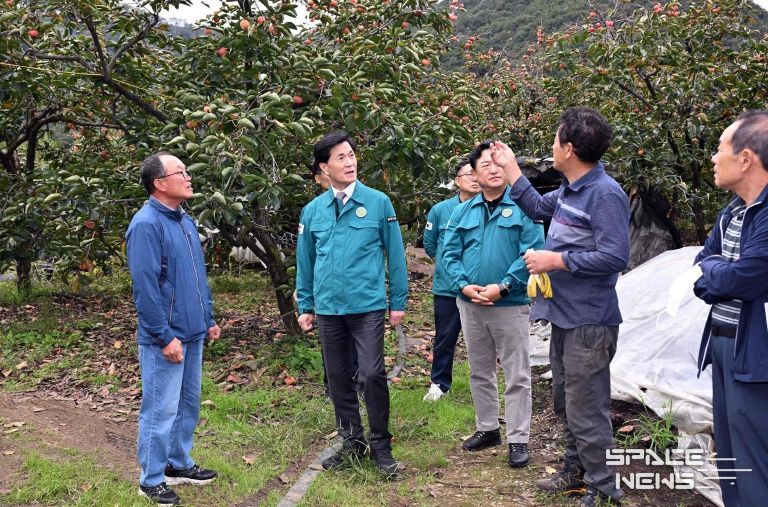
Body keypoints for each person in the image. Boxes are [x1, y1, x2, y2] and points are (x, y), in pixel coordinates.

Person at [491, 107, 629, 506]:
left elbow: (615, 256)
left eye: (555, 140)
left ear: (569, 148)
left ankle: (604, 489)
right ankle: (576, 471)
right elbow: (536, 207)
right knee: (566, 400)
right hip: (564, 314)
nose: (551, 147)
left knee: (587, 407)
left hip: (590, 319)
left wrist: (558, 260)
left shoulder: (604, 194)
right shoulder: (572, 188)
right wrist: (511, 168)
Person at [295, 131, 408, 478]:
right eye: (340, 157)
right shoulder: (313, 211)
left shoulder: (378, 202)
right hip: (329, 310)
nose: (350, 162)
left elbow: (396, 255)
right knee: (338, 378)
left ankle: (381, 445)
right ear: (324, 168)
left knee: (373, 374)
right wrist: (306, 304)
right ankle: (352, 441)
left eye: (352, 155)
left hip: (367, 306)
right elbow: (306, 261)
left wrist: (397, 301)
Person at [442, 142, 544, 468]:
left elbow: (532, 252)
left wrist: (503, 286)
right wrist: (462, 285)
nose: (494, 168)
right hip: (470, 304)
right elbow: (448, 254)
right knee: (480, 370)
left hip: (510, 304)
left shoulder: (524, 207)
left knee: (517, 374)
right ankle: (487, 428)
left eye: (498, 162)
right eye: (486, 164)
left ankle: (518, 438)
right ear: (473, 174)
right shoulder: (463, 211)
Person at [127, 152, 221, 506]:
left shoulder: (183, 219)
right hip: (165, 337)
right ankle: (150, 480)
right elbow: (146, 288)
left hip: (192, 330)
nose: (188, 176)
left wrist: (208, 318)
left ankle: (178, 463)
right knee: (161, 409)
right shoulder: (146, 224)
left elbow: (196, 276)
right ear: (160, 183)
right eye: (181, 172)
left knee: (187, 405)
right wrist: (164, 336)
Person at [692, 110, 768, 507]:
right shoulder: (734, 211)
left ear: (746, 158)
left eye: (719, 149)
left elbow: (747, 278)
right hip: (723, 343)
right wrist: (719, 270)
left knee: (755, 458)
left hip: (755, 352)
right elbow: (703, 269)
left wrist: (719, 271)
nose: (712, 158)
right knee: (731, 457)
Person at [422, 158, 480, 402]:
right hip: (448, 287)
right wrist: (447, 267)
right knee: (446, 336)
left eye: (477, 173)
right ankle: (439, 383)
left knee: (482, 337)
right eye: (469, 174)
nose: (475, 178)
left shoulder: (487, 207)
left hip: (481, 286)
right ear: (457, 182)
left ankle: (483, 383)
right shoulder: (440, 210)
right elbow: (429, 243)